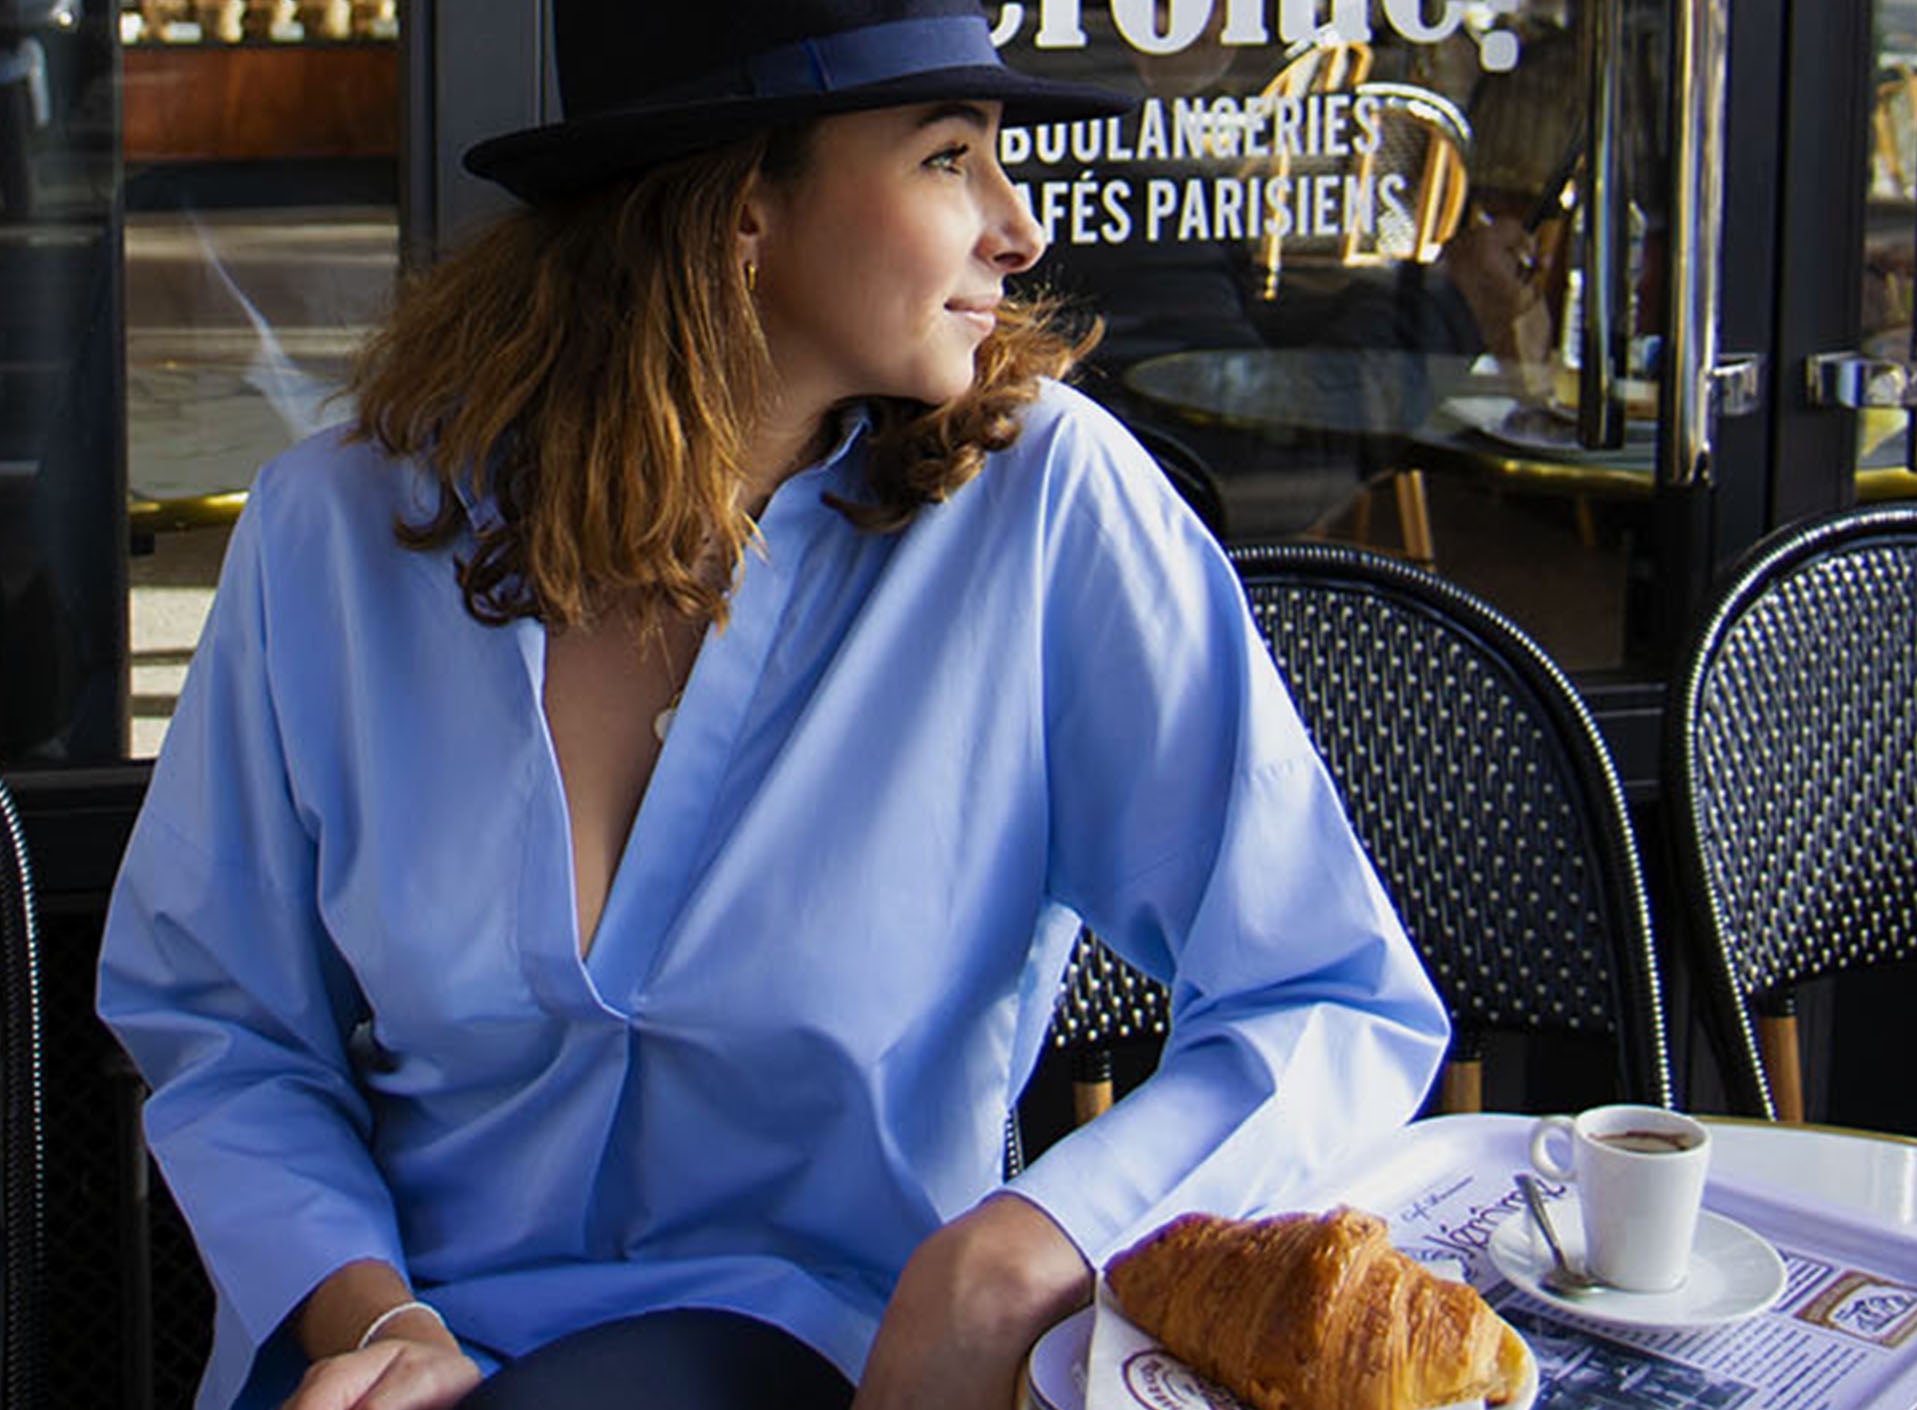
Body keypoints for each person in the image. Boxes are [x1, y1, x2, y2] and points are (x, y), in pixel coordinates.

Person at [96, 4, 1451, 1408]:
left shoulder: (1046, 513)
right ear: (744, 211)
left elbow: (1329, 995)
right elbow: (225, 1022)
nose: (1018, 225)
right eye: (948, 157)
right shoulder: (336, 536)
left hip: (833, 1369)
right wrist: (378, 1321)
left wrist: (1018, 1248)